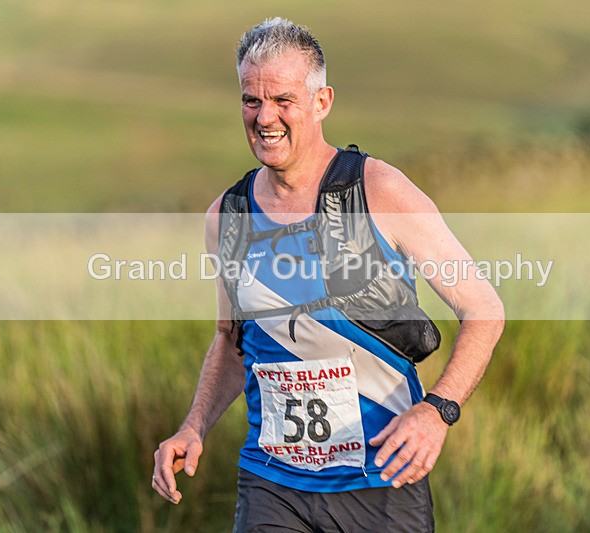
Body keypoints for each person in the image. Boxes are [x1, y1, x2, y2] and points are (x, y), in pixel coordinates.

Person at [152, 17, 504, 531]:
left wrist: (437, 411)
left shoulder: (380, 191)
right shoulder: (227, 216)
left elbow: (484, 310)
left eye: (283, 101)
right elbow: (232, 341)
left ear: (322, 102)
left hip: (380, 482)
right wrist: (194, 425)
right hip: (272, 485)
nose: (264, 117)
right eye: (252, 100)